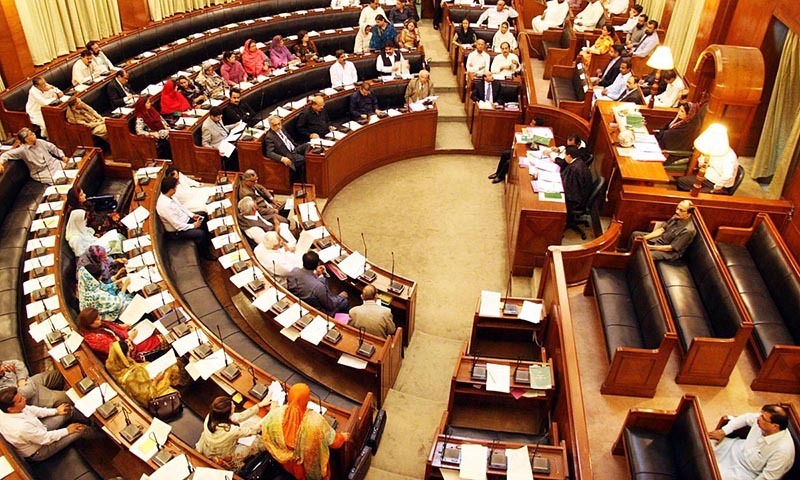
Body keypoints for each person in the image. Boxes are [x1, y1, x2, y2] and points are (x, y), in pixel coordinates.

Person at [262, 383, 347, 480]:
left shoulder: (274, 416)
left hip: (289, 465)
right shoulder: (315, 422)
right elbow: (334, 441)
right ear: (306, 401)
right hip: (310, 469)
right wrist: (343, 437)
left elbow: (267, 438)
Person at [0, 387, 94, 462]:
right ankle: (98, 434)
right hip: (40, 449)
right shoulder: (21, 428)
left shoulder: (11, 409)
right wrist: (67, 430)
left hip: (38, 431)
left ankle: (89, 421)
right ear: (11, 409)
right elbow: (45, 439)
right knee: (80, 429)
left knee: (67, 410)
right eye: (20, 400)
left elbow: (32, 409)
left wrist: (56, 411)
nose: (24, 399)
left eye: (22, 397)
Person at [708, 404, 795, 480]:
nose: (758, 418)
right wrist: (724, 431)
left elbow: (767, 477)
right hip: (734, 448)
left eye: (763, 418)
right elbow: (745, 418)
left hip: (746, 472)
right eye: (760, 414)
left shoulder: (783, 452)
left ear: (775, 426)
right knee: (705, 446)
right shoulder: (761, 420)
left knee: (710, 475)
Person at [196, 395, 271, 472]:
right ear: (226, 415)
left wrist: (259, 405)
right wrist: (270, 414)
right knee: (259, 441)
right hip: (225, 457)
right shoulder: (230, 431)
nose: (234, 406)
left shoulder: (211, 416)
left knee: (247, 424)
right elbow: (253, 430)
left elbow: (239, 416)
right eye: (232, 407)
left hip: (209, 449)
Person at [105, 340, 182, 408]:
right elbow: (149, 397)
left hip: (136, 382)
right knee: (172, 368)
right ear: (123, 356)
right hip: (148, 393)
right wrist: (156, 379)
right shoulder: (134, 375)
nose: (129, 354)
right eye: (128, 352)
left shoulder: (111, 363)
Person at [156, 174, 215, 260]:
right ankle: (205, 254)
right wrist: (193, 226)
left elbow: (181, 207)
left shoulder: (170, 196)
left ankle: (207, 241)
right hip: (176, 232)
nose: (176, 189)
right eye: (175, 187)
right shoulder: (164, 206)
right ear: (171, 190)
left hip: (185, 220)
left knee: (203, 215)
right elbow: (177, 226)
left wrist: (192, 215)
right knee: (200, 234)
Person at [77, 307, 166, 362]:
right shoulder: (96, 339)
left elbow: (110, 327)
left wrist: (122, 327)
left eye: (99, 316)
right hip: (126, 352)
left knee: (156, 328)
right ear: (90, 324)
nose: (100, 319)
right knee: (162, 338)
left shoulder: (96, 325)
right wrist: (130, 339)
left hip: (125, 338)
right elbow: (118, 351)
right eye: (96, 319)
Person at [630, 200, 696, 261]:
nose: (677, 211)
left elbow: (670, 248)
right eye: (677, 208)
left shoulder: (688, 231)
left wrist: (650, 247)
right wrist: (643, 238)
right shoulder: (677, 216)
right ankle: (628, 257)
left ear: (688, 214)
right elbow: (662, 230)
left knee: (643, 255)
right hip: (661, 240)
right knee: (635, 235)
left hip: (670, 252)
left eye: (681, 210)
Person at [489, 116, 545, 183]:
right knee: (505, 154)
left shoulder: (542, 135)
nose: (530, 124)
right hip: (524, 150)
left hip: (531, 156)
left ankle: (500, 176)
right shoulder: (531, 130)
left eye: (532, 124)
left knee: (509, 162)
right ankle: (497, 173)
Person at [0, 128, 68, 183]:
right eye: (31, 134)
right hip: (42, 172)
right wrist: (0, 163)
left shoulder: (40, 141)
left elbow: (53, 148)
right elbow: (6, 154)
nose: (34, 134)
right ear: (26, 139)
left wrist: (62, 156)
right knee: (62, 181)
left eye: (32, 132)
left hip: (54, 164)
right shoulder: (22, 150)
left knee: (70, 172)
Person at [0, 359, 67, 409]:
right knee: (68, 397)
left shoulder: (2, 369)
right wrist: (20, 375)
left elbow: (18, 363)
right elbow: (27, 392)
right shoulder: (2, 393)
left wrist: (21, 379)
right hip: (32, 398)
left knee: (58, 374)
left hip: (29, 382)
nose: (3, 368)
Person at [263, 115, 308, 184]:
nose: (278, 126)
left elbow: (289, 139)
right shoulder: (270, 137)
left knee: (309, 145)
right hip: (289, 155)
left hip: (294, 148)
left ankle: (303, 174)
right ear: (270, 126)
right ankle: (305, 180)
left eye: (279, 124)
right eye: (275, 125)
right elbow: (269, 153)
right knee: (307, 160)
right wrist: (282, 159)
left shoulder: (282, 129)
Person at [561, 145, 593, 213]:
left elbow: (570, 191)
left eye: (565, 155)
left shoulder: (574, 169)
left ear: (569, 156)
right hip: (581, 196)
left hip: (576, 202)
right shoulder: (579, 162)